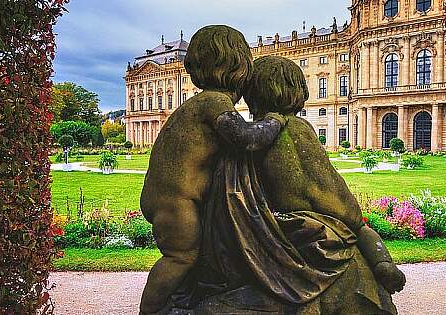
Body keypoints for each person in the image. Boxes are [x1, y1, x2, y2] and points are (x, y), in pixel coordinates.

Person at [240, 55, 406, 314]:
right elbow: (324, 186)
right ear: (296, 91)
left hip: (273, 227)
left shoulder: (253, 133)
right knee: (360, 229)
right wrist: (351, 215)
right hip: (309, 227)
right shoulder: (296, 128)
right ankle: (383, 263)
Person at [139, 26, 285, 315]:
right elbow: (247, 138)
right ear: (238, 67)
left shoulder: (198, 103)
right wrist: (275, 121)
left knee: (194, 253)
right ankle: (151, 310)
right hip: (174, 201)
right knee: (180, 256)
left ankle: (181, 301)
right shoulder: (213, 101)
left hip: (169, 196)